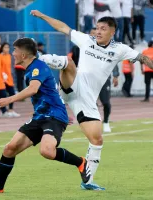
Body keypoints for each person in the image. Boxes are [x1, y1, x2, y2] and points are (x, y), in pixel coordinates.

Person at [30, 10, 153, 190]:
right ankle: (41, 59)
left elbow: (142, 57)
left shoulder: (120, 49)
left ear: (112, 32)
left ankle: (88, 180)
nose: (98, 31)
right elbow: (63, 27)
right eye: (97, 28)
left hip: (86, 99)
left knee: (97, 139)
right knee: (69, 64)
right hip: (73, 84)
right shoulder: (86, 40)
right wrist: (42, 16)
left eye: (103, 28)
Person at [0, 38, 92, 194]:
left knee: (47, 151)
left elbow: (33, 89)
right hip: (41, 116)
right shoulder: (31, 68)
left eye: (15, 50)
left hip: (53, 116)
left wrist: (9, 99)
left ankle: (81, 162)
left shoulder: (38, 67)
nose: (12, 53)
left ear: (23, 55)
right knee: (10, 148)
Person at [0, 42, 20, 117]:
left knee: (12, 93)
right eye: (5, 47)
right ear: (2, 48)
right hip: (2, 78)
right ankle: (3, 111)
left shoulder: (10, 56)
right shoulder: (0, 56)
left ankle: (11, 109)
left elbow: (12, 68)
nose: (6, 49)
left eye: (8, 47)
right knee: (3, 94)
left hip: (9, 78)